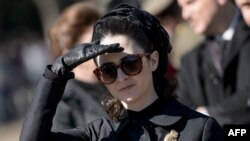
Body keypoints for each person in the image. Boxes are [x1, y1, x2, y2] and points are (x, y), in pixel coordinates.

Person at [20, 4, 223, 141]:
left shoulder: (200, 128)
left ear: (153, 60)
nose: (121, 77)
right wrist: (57, 72)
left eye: (131, 64)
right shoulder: (98, 133)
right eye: (108, 71)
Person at [177, 0, 250, 126]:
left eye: (190, 3)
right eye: (181, 7)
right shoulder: (190, 64)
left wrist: (210, 116)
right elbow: (183, 117)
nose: (185, 15)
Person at [48, 1, 109, 131]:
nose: (101, 48)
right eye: (93, 43)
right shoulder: (63, 100)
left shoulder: (114, 78)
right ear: (70, 52)